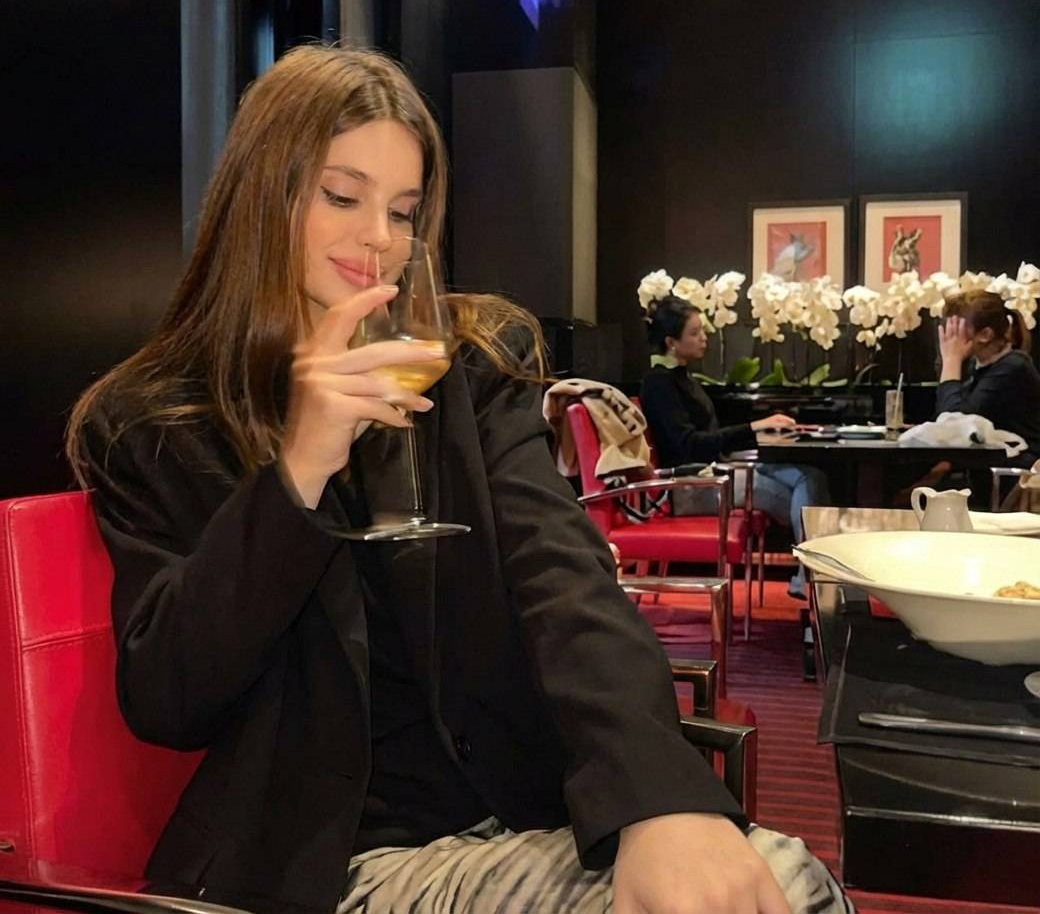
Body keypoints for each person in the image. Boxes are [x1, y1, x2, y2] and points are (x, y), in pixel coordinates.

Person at [66, 45, 851, 914]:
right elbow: (169, 696)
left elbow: (564, 579)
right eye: (342, 196)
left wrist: (659, 799)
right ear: (260, 192)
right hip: (337, 860)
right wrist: (300, 466)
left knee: (781, 881)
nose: (380, 237)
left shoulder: (468, 365)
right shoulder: (155, 418)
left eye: (403, 212)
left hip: (526, 810)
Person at [639, 295, 830, 599]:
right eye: (694, 333)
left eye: (702, 330)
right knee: (811, 505)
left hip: (717, 472)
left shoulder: (681, 378)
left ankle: (808, 574)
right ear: (671, 342)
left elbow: (711, 438)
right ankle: (810, 578)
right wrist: (754, 428)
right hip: (695, 486)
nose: (704, 338)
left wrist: (758, 432)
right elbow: (690, 446)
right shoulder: (659, 384)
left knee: (811, 476)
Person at [937, 289, 1040, 467]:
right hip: (990, 466)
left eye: (957, 327)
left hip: (1019, 473)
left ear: (985, 335)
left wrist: (951, 361)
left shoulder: (1013, 366)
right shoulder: (976, 366)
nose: (950, 335)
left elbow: (956, 425)